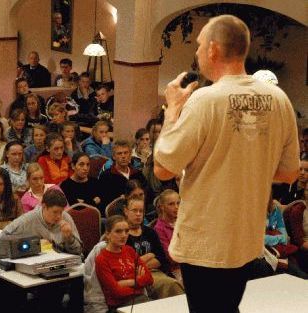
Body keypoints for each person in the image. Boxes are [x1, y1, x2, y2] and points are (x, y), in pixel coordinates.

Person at [153, 15, 300, 313]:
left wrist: (172, 113)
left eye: (198, 45)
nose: (196, 52)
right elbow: (288, 173)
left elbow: (163, 168)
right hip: (245, 238)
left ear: (213, 49)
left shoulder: (206, 100)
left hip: (205, 241)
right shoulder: (278, 99)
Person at [124, 195, 184, 299]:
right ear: (126, 211)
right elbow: (129, 266)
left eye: (141, 211)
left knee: (173, 283)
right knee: (171, 285)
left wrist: (141, 262)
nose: (138, 214)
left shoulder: (149, 232)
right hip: (135, 277)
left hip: (157, 273)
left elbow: (162, 259)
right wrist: (151, 256)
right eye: (134, 211)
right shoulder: (123, 235)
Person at [95, 215, 153, 311]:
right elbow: (116, 292)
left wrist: (128, 282)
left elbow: (149, 279)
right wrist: (139, 283)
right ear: (108, 234)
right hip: (120, 306)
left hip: (141, 299)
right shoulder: (102, 259)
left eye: (126, 231)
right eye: (118, 231)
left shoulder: (129, 250)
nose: (124, 235)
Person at [1, 188, 81, 255]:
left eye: (61, 212)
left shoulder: (66, 218)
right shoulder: (28, 219)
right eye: (55, 212)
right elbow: (3, 236)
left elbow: (78, 252)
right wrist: (29, 245)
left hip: (64, 264)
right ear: (44, 206)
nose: (59, 216)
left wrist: (69, 238)